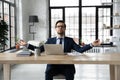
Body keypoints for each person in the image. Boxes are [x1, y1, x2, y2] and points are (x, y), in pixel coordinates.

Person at [19, 20, 101, 80]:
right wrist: (26, 45)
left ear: (65, 28)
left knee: (70, 73)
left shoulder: (70, 40)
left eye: (62, 26)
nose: (60, 28)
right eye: (58, 26)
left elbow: (80, 50)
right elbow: (39, 50)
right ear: (55, 28)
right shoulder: (50, 40)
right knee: (48, 73)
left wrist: (92, 44)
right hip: (53, 65)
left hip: (67, 66)